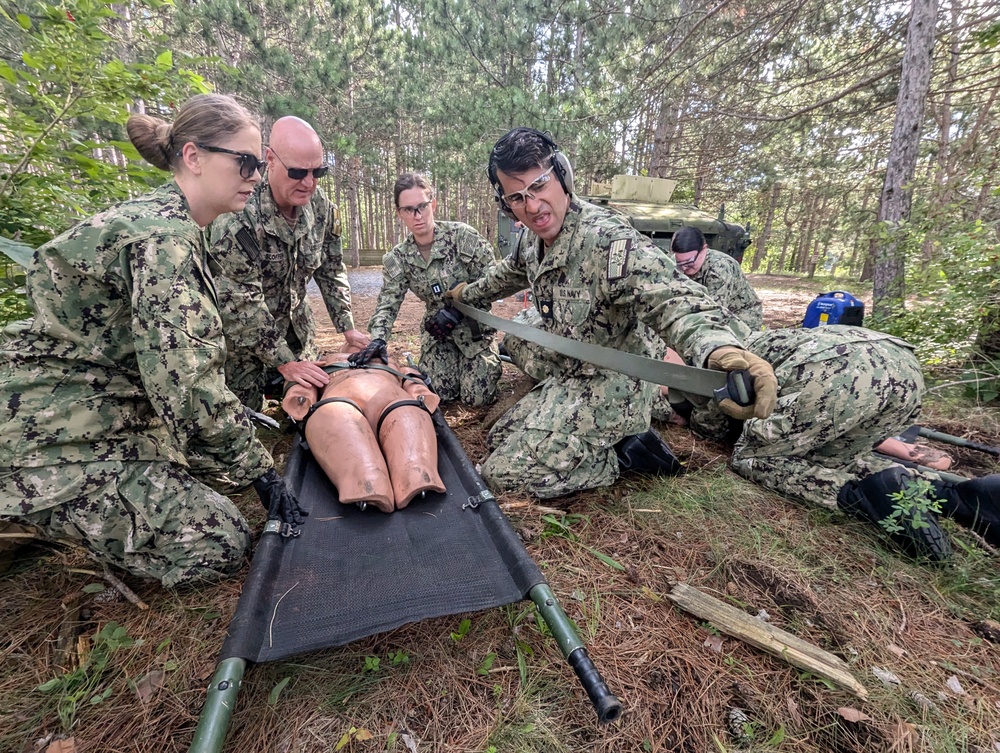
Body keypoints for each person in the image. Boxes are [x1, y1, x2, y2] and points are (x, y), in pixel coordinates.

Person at [0, 94, 304, 587]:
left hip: (84, 406)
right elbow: (187, 385)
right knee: (218, 540)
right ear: (193, 157)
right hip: (49, 435)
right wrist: (259, 471)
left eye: (260, 162)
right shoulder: (164, 241)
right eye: (245, 161)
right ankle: (31, 505)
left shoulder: (166, 221)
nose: (255, 175)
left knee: (200, 469)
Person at [430, 127, 778, 499]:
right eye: (517, 197)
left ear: (562, 176)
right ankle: (615, 442)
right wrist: (466, 295)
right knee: (499, 436)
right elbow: (506, 274)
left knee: (504, 475)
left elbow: (674, 298)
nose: (532, 206)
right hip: (571, 374)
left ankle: (619, 457)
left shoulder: (610, 241)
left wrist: (719, 350)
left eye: (539, 186)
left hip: (615, 384)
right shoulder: (532, 242)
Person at [690, 325, 1000, 560]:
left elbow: (713, 423)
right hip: (904, 369)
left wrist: (693, 418)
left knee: (752, 458)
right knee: (825, 455)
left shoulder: (720, 356)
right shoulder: (768, 335)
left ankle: (862, 497)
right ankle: (958, 497)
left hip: (830, 371)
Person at [211, 116, 369, 411]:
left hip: (298, 335)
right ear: (270, 159)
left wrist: (346, 326)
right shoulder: (240, 214)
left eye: (317, 171)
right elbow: (240, 304)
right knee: (246, 417)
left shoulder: (320, 207)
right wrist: (285, 362)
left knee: (308, 412)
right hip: (244, 347)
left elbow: (331, 269)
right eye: (297, 172)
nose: (309, 183)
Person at [365, 173, 502, 406]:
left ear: (433, 204)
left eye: (422, 206)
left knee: (476, 398)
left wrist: (460, 309)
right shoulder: (398, 258)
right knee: (440, 394)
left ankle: (494, 354)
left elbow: (493, 280)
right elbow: (388, 302)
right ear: (399, 214)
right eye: (408, 210)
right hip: (439, 334)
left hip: (475, 330)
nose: (417, 216)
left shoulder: (462, 237)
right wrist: (377, 339)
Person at [282, 349, 444, 513]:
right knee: (363, 476)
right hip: (340, 402)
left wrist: (420, 392)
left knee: (416, 469)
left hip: (395, 401)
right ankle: (365, 485)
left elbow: (412, 376)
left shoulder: (387, 359)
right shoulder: (326, 360)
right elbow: (301, 380)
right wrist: (300, 396)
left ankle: (417, 479)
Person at [670, 226, 762, 332]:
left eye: (689, 263)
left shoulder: (720, 267)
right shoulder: (676, 262)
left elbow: (714, 313)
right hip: (701, 312)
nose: (684, 268)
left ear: (704, 249)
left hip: (740, 319)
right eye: (680, 264)